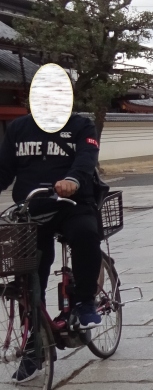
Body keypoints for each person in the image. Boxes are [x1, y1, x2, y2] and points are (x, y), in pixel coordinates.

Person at [0, 107, 104, 332]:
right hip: (31, 208)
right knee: (28, 272)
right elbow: (4, 169)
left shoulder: (81, 126)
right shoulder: (18, 128)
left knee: (85, 234)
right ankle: (35, 333)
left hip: (72, 204)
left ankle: (84, 300)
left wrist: (73, 180)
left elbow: (86, 158)